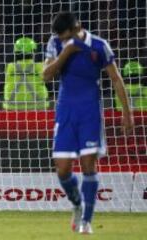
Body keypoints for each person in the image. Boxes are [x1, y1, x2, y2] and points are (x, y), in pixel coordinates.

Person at [43, 12, 134, 234]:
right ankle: (77, 205)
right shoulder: (56, 43)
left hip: (90, 111)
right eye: (61, 38)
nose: (63, 40)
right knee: (62, 169)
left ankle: (86, 220)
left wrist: (127, 112)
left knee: (88, 165)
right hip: (65, 110)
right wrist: (66, 52)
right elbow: (45, 75)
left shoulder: (99, 45)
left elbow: (116, 78)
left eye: (67, 37)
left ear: (77, 28)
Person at [3, 37, 49, 110]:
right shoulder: (39, 66)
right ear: (33, 52)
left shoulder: (10, 67)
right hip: (38, 107)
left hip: (12, 107)